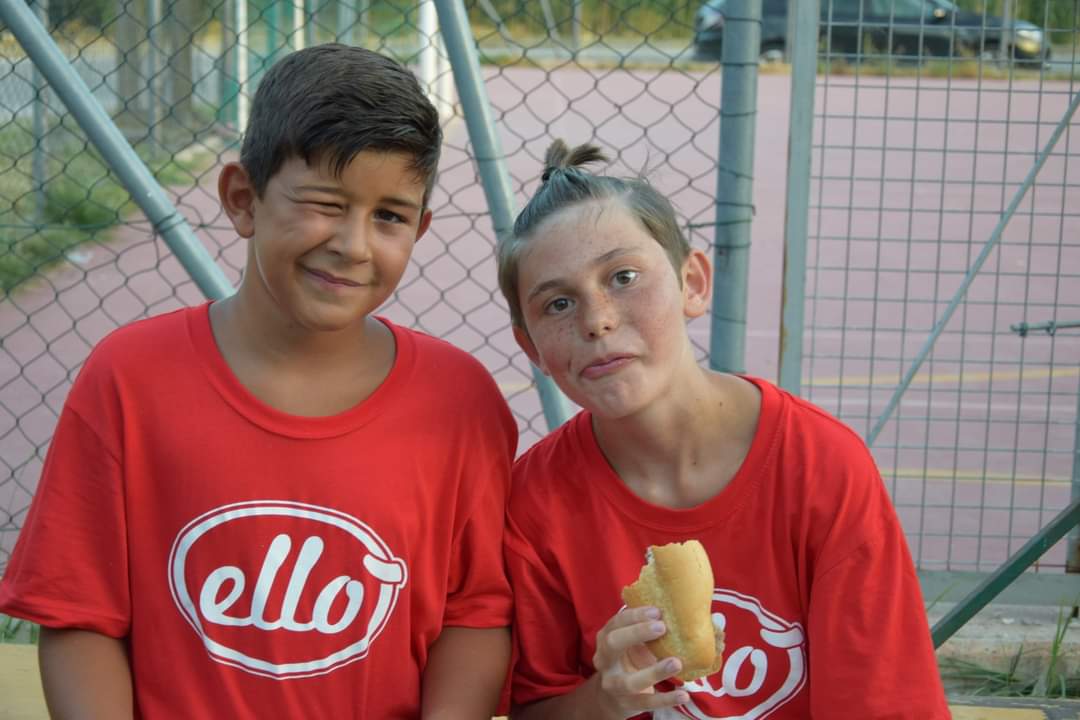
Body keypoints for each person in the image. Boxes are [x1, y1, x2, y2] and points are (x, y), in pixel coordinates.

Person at [0, 44, 516, 719]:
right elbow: (79, 615)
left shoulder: (460, 402)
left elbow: (475, 614)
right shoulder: (129, 380)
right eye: (325, 203)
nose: (355, 245)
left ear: (420, 229)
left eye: (389, 216)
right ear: (243, 200)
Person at [498, 140, 950, 719]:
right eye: (558, 305)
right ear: (531, 347)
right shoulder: (535, 502)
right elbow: (535, 709)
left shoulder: (820, 465)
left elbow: (882, 703)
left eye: (624, 276)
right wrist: (602, 699)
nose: (598, 320)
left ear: (693, 283)